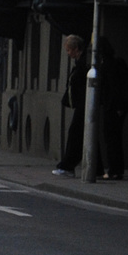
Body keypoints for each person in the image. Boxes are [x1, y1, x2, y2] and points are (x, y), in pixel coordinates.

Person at [97, 41, 128, 180]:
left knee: (111, 138)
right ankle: (116, 169)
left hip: (113, 107)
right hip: (117, 106)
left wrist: (118, 106)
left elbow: (114, 88)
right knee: (115, 138)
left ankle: (114, 170)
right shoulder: (115, 63)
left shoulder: (108, 65)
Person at [54, 34, 88, 176]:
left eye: (69, 50)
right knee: (86, 135)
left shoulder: (85, 64)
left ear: (76, 49)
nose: (68, 53)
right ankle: (96, 168)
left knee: (75, 134)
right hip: (82, 104)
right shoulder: (80, 63)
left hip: (84, 104)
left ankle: (68, 166)